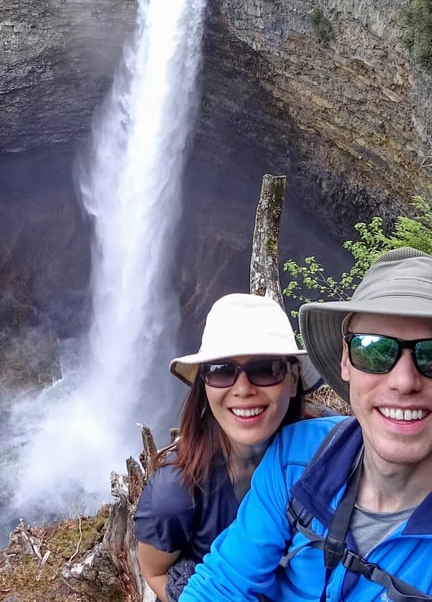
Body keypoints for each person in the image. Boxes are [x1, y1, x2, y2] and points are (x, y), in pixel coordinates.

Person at [179, 247, 432, 602]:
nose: (404, 381)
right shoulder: (296, 456)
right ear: (346, 362)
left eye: (431, 355)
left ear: (293, 378)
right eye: (373, 349)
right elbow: (223, 586)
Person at [134, 292, 310, 601]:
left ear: (293, 378)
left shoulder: (329, 450)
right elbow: (154, 571)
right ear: (204, 384)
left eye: (265, 368)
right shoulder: (174, 496)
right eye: (221, 370)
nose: (243, 389)